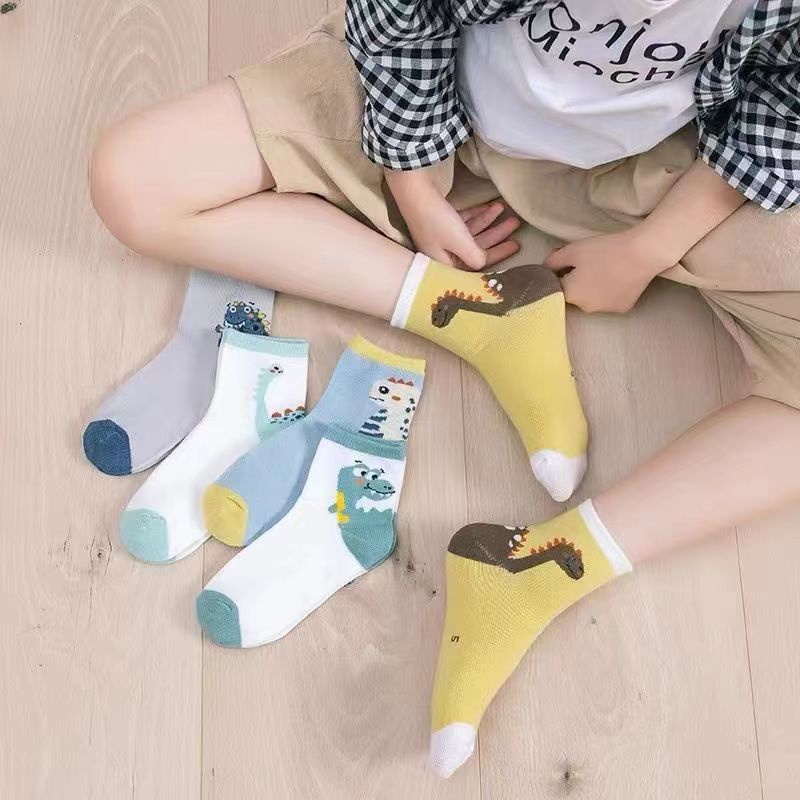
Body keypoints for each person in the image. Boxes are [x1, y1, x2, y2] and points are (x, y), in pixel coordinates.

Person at [88, 0, 800, 778]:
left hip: (668, 163)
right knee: (132, 179)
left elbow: (785, 100)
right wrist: (413, 180)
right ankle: (470, 314)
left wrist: (650, 249)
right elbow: (400, 15)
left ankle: (540, 573)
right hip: (439, 94)